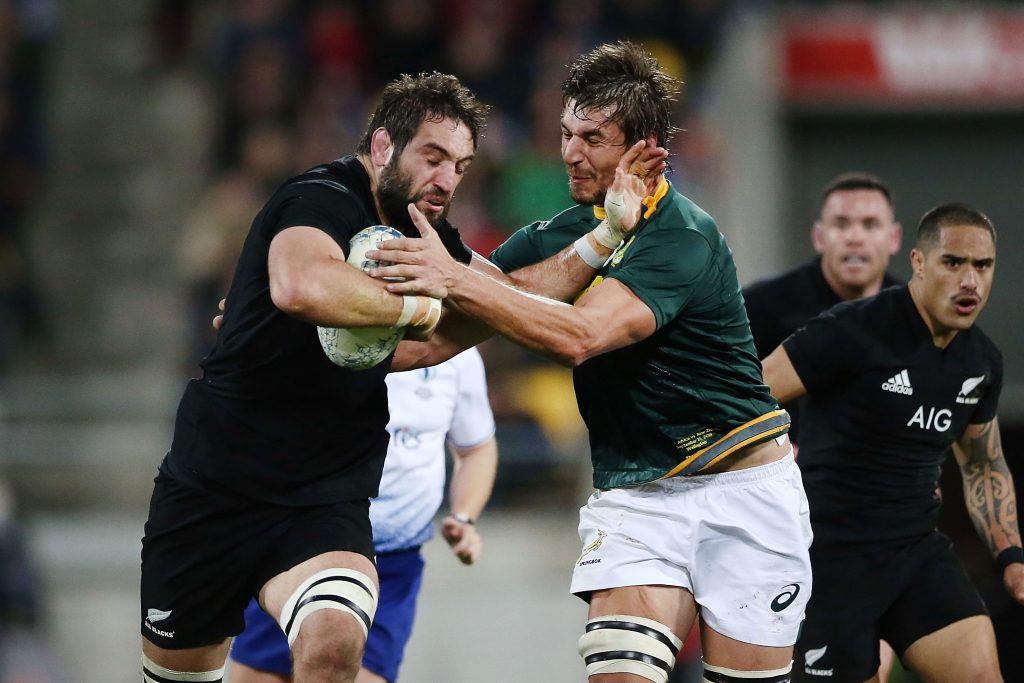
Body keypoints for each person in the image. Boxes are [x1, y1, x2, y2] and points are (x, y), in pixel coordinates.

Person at [375, 41, 812, 683]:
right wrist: (295, 340)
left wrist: (458, 279)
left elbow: (579, 337)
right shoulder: (558, 236)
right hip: (637, 497)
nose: (570, 153)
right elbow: (432, 341)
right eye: (565, 134)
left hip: (743, 491)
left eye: (592, 139)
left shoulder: (683, 237)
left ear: (644, 150)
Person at [138, 72, 492, 683]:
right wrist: (420, 308)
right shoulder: (319, 196)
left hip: (323, 502)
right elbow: (300, 286)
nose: (446, 180)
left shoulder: (430, 239)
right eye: (433, 157)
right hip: (212, 489)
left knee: (332, 642)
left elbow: (508, 297)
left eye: (459, 167)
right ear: (382, 145)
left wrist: (599, 243)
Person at [760, 202, 1024, 682]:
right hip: (831, 560)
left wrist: (1011, 557)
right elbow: (749, 396)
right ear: (919, 263)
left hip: (916, 554)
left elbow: (984, 465)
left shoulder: (981, 362)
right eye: (953, 263)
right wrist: (773, 460)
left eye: (982, 266)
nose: (970, 280)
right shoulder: (851, 330)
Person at [229, 348, 498, 683]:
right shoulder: (319, 334)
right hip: (301, 550)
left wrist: (464, 517)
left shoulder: (459, 354)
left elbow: (476, 448)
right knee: (261, 676)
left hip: (394, 560)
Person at [742, 172, 902, 680]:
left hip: (878, 519)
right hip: (775, 517)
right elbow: (714, 393)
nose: (854, 236)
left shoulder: (915, 316)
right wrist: (768, 445)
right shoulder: (762, 308)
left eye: (869, 224)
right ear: (818, 235)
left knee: (868, 663)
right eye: (841, 223)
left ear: (893, 238)